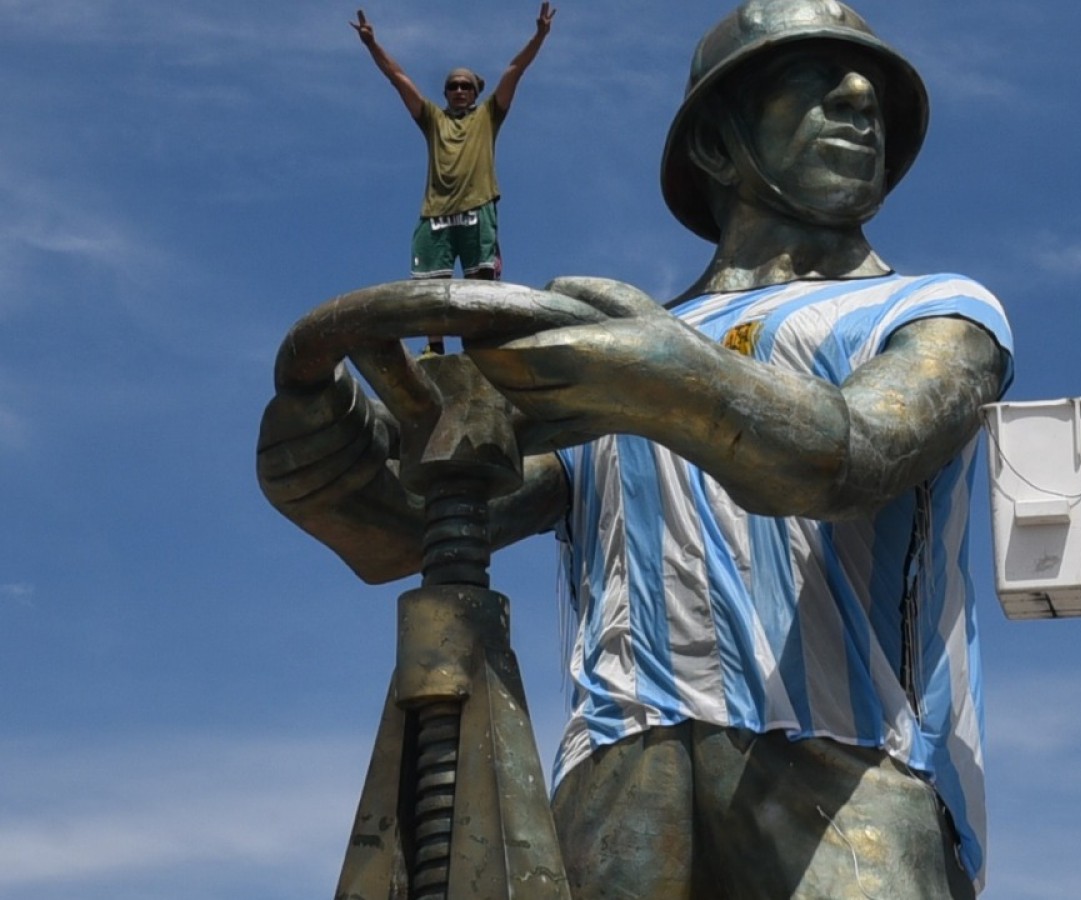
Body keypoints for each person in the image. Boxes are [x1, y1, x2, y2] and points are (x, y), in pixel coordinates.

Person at [261, 1, 1012, 896]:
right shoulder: (620, 356)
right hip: (622, 772)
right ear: (717, 146)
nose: (859, 98)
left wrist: (668, 377)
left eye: (873, 92)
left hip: (845, 775)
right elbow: (409, 532)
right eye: (805, 81)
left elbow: (848, 457)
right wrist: (328, 469)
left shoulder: (935, 314)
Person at [350, 2, 556, 354]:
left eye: (465, 86)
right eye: (452, 86)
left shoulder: (488, 116)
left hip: (477, 206)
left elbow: (514, 70)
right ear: (445, 93)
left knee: (478, 285)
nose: (459, 90)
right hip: (437, 211)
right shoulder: (433, 119)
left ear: (475, 92)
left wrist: (539, 36)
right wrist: (372, 45)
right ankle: (435, 348)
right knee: (431, 288)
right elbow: (399, 79)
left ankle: (480, 347)